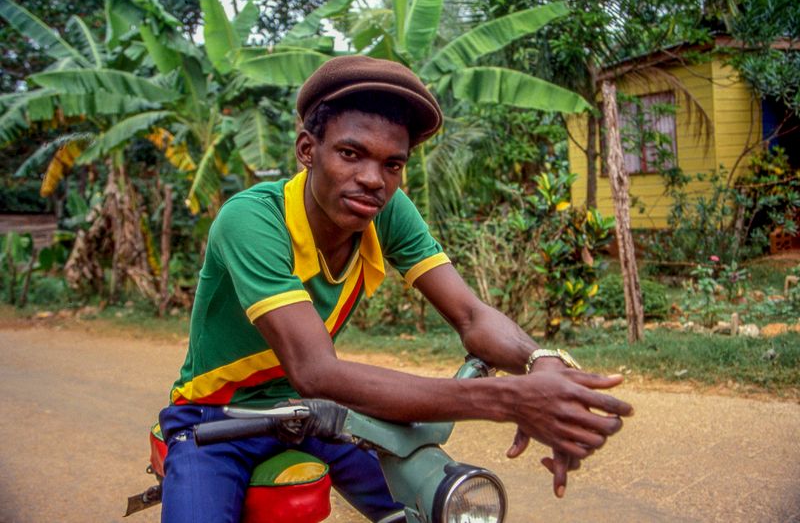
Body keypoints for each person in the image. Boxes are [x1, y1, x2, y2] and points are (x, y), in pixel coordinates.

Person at [158, 55, 633, 522]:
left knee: (433, 501)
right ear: (307, 150)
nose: (372, 180)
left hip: (312, 416)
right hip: (214, 419)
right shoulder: (252, 219)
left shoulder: (386, 210)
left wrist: (542, 366)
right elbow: (316, 371)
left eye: (392, 164)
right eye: (350, 153)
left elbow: (470, 315)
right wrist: (514, 400)